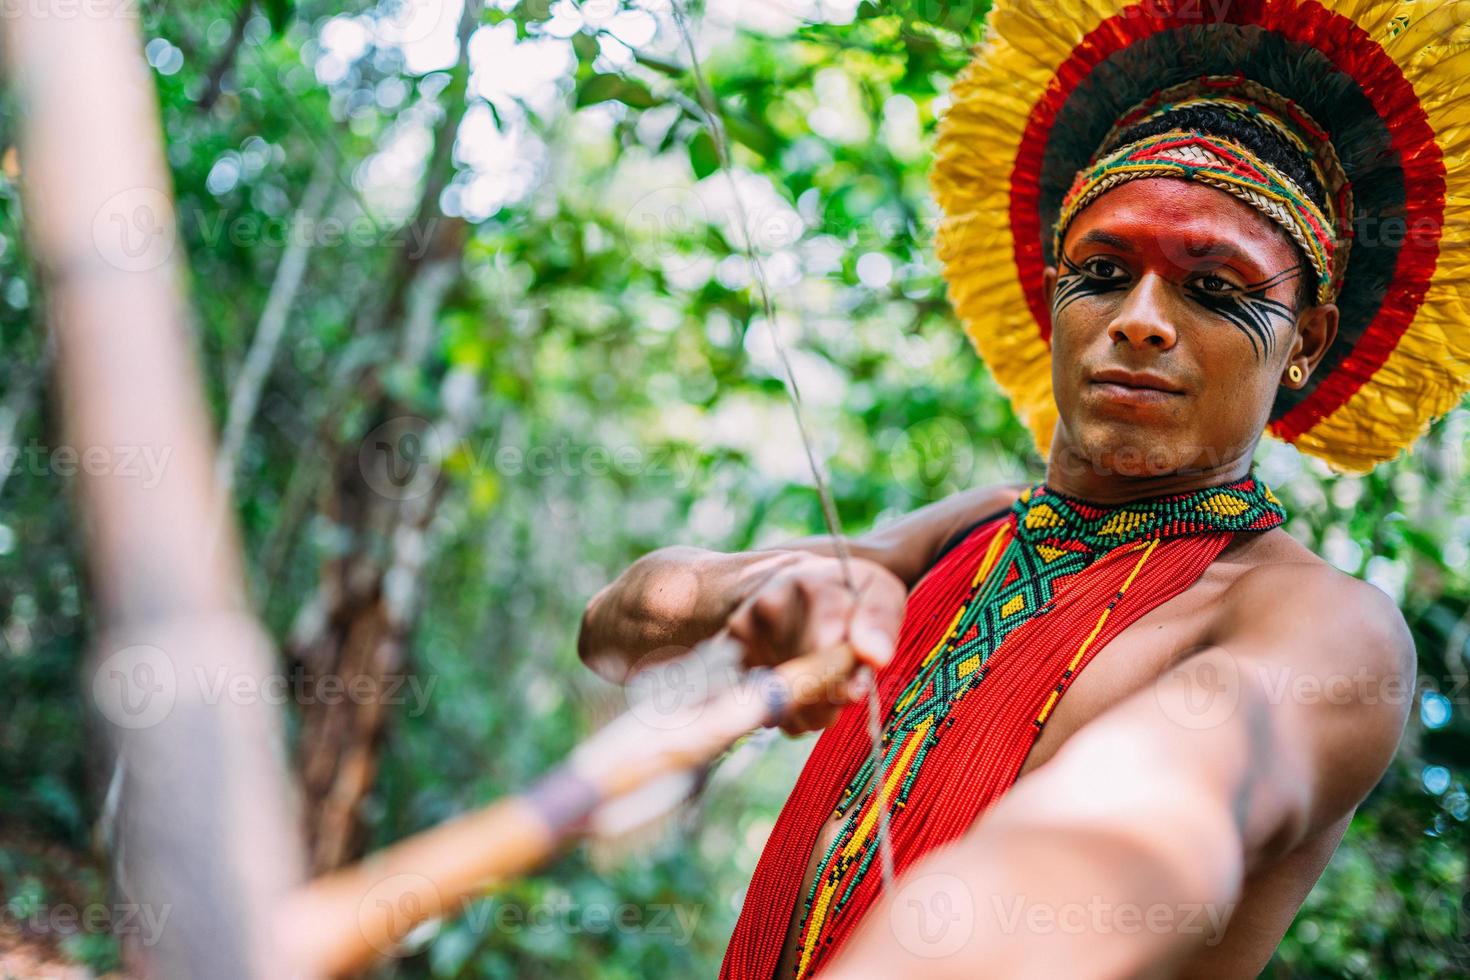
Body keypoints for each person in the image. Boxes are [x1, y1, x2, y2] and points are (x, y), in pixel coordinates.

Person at [578, 1, 1470, 976]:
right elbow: (617, 632)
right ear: (1053, 294)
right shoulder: (984, 526)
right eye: (1101, 270)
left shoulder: (1323, 626)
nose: (1138, 319)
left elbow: (1134, 833)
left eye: (1214, 289)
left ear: (1305, 339)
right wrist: (758, 596)